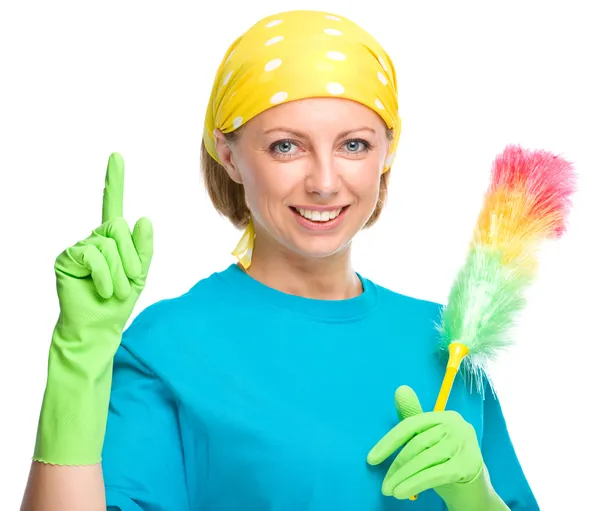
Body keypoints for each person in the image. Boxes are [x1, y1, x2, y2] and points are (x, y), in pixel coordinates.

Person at [21, 9, 539, 511]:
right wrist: (77, 363)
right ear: (229, 155)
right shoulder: (169, 348)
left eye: (354, 145)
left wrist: (477, 497)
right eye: (286, 147)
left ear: (388, 152)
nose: (324, 181)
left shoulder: (448, 343)